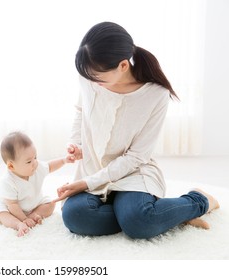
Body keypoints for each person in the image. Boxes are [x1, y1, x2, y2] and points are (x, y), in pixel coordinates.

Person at [53, 21, 220, 239]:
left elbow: (137, 156)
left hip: (133, 173)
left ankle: (198, 200)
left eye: (99, 78)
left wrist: (86, 184)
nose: (93, 82)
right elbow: (80, 110)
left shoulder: (155, 95)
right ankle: (162, 215)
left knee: (139, 224)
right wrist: (78, 144)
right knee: (76, 217)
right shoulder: (89, 76)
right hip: (93, 170)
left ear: (123, 66)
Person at [0, 131, 73, 237]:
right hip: (11, 208)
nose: (34, 162)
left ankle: (35, 214)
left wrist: (64, 160)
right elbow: (12, 205)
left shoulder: (37, 167)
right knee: (1, 213)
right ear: (11, 166)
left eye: (35, 157)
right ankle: (18, 225)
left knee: (51, 203)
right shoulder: (8, 181)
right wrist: (23, 219)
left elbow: (50, 166)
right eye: (29, 161)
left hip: (34, 203)